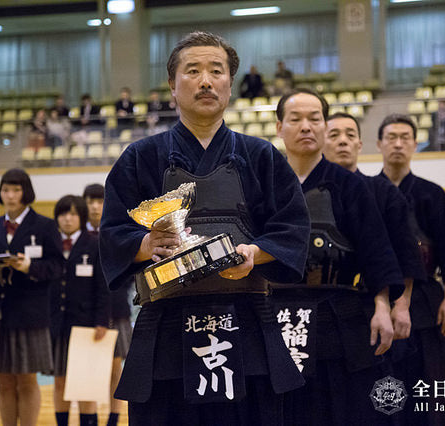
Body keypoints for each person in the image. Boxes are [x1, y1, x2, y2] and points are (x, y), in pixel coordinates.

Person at [99, 31, 310, 425]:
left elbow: (291, 230)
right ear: (172, 87)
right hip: (165, 328)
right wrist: (145, 244)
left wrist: (254, 254)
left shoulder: (260, 155)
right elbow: (112, 232)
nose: (206, 81)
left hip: (247, 320)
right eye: (192, 71)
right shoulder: (140, 157)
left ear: (230, 84)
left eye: (217, 71)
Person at [274, 90, 403, 425]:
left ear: (324, 125)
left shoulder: (351, 186)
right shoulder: (265, 183)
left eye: (315, 118)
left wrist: (382, 306)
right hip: (275, 315)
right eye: (296, 119)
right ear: (279, 127)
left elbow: (377, 251)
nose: (306, 127)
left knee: (342, 409)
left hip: (338, 312)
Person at [376, 114, 445, 426]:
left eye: (404, 137)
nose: (398, 144)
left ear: (415, 144)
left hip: (427, 301)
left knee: (431, 384)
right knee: (383, 388)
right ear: (379, 144)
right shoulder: (367, 191)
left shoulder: (433, 194)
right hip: (378, 298)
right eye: (391, 137)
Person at [323, 112, 424, 344]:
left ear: (359, 144)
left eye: (350, 135)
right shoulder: (306, 193)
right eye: (334, 134)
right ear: (321, 141)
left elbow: (406, 254)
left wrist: (401, 306)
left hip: (372, 303)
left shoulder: (384, 191)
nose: (343, 141)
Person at [0, 168, 63, 426]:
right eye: (6, 190)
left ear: (26, 192)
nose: (10, 195)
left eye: (16, 190)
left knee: (27, 380)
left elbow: (58, 267)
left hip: (30, 314)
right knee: (3, 380)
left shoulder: (45, 225)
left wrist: (29, 267)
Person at [50, 195, 110, 426]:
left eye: (73, 214)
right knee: (59, 382)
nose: (67, 219)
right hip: (57, 325)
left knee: (86, 384)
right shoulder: (50, 243)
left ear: (81, 217)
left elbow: (103, 286)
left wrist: (102, 320)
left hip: (87, 324)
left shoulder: (94, 243)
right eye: (63, 214)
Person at [82, 183, 133, 426]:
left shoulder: (117, 231)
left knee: (115, 367)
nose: (94, 206)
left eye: (99, 200)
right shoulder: (76, 236)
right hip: (85, 313)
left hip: (117, 308)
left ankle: (114, 416)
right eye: (89, 201)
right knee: (89, 368)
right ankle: (90, 417)